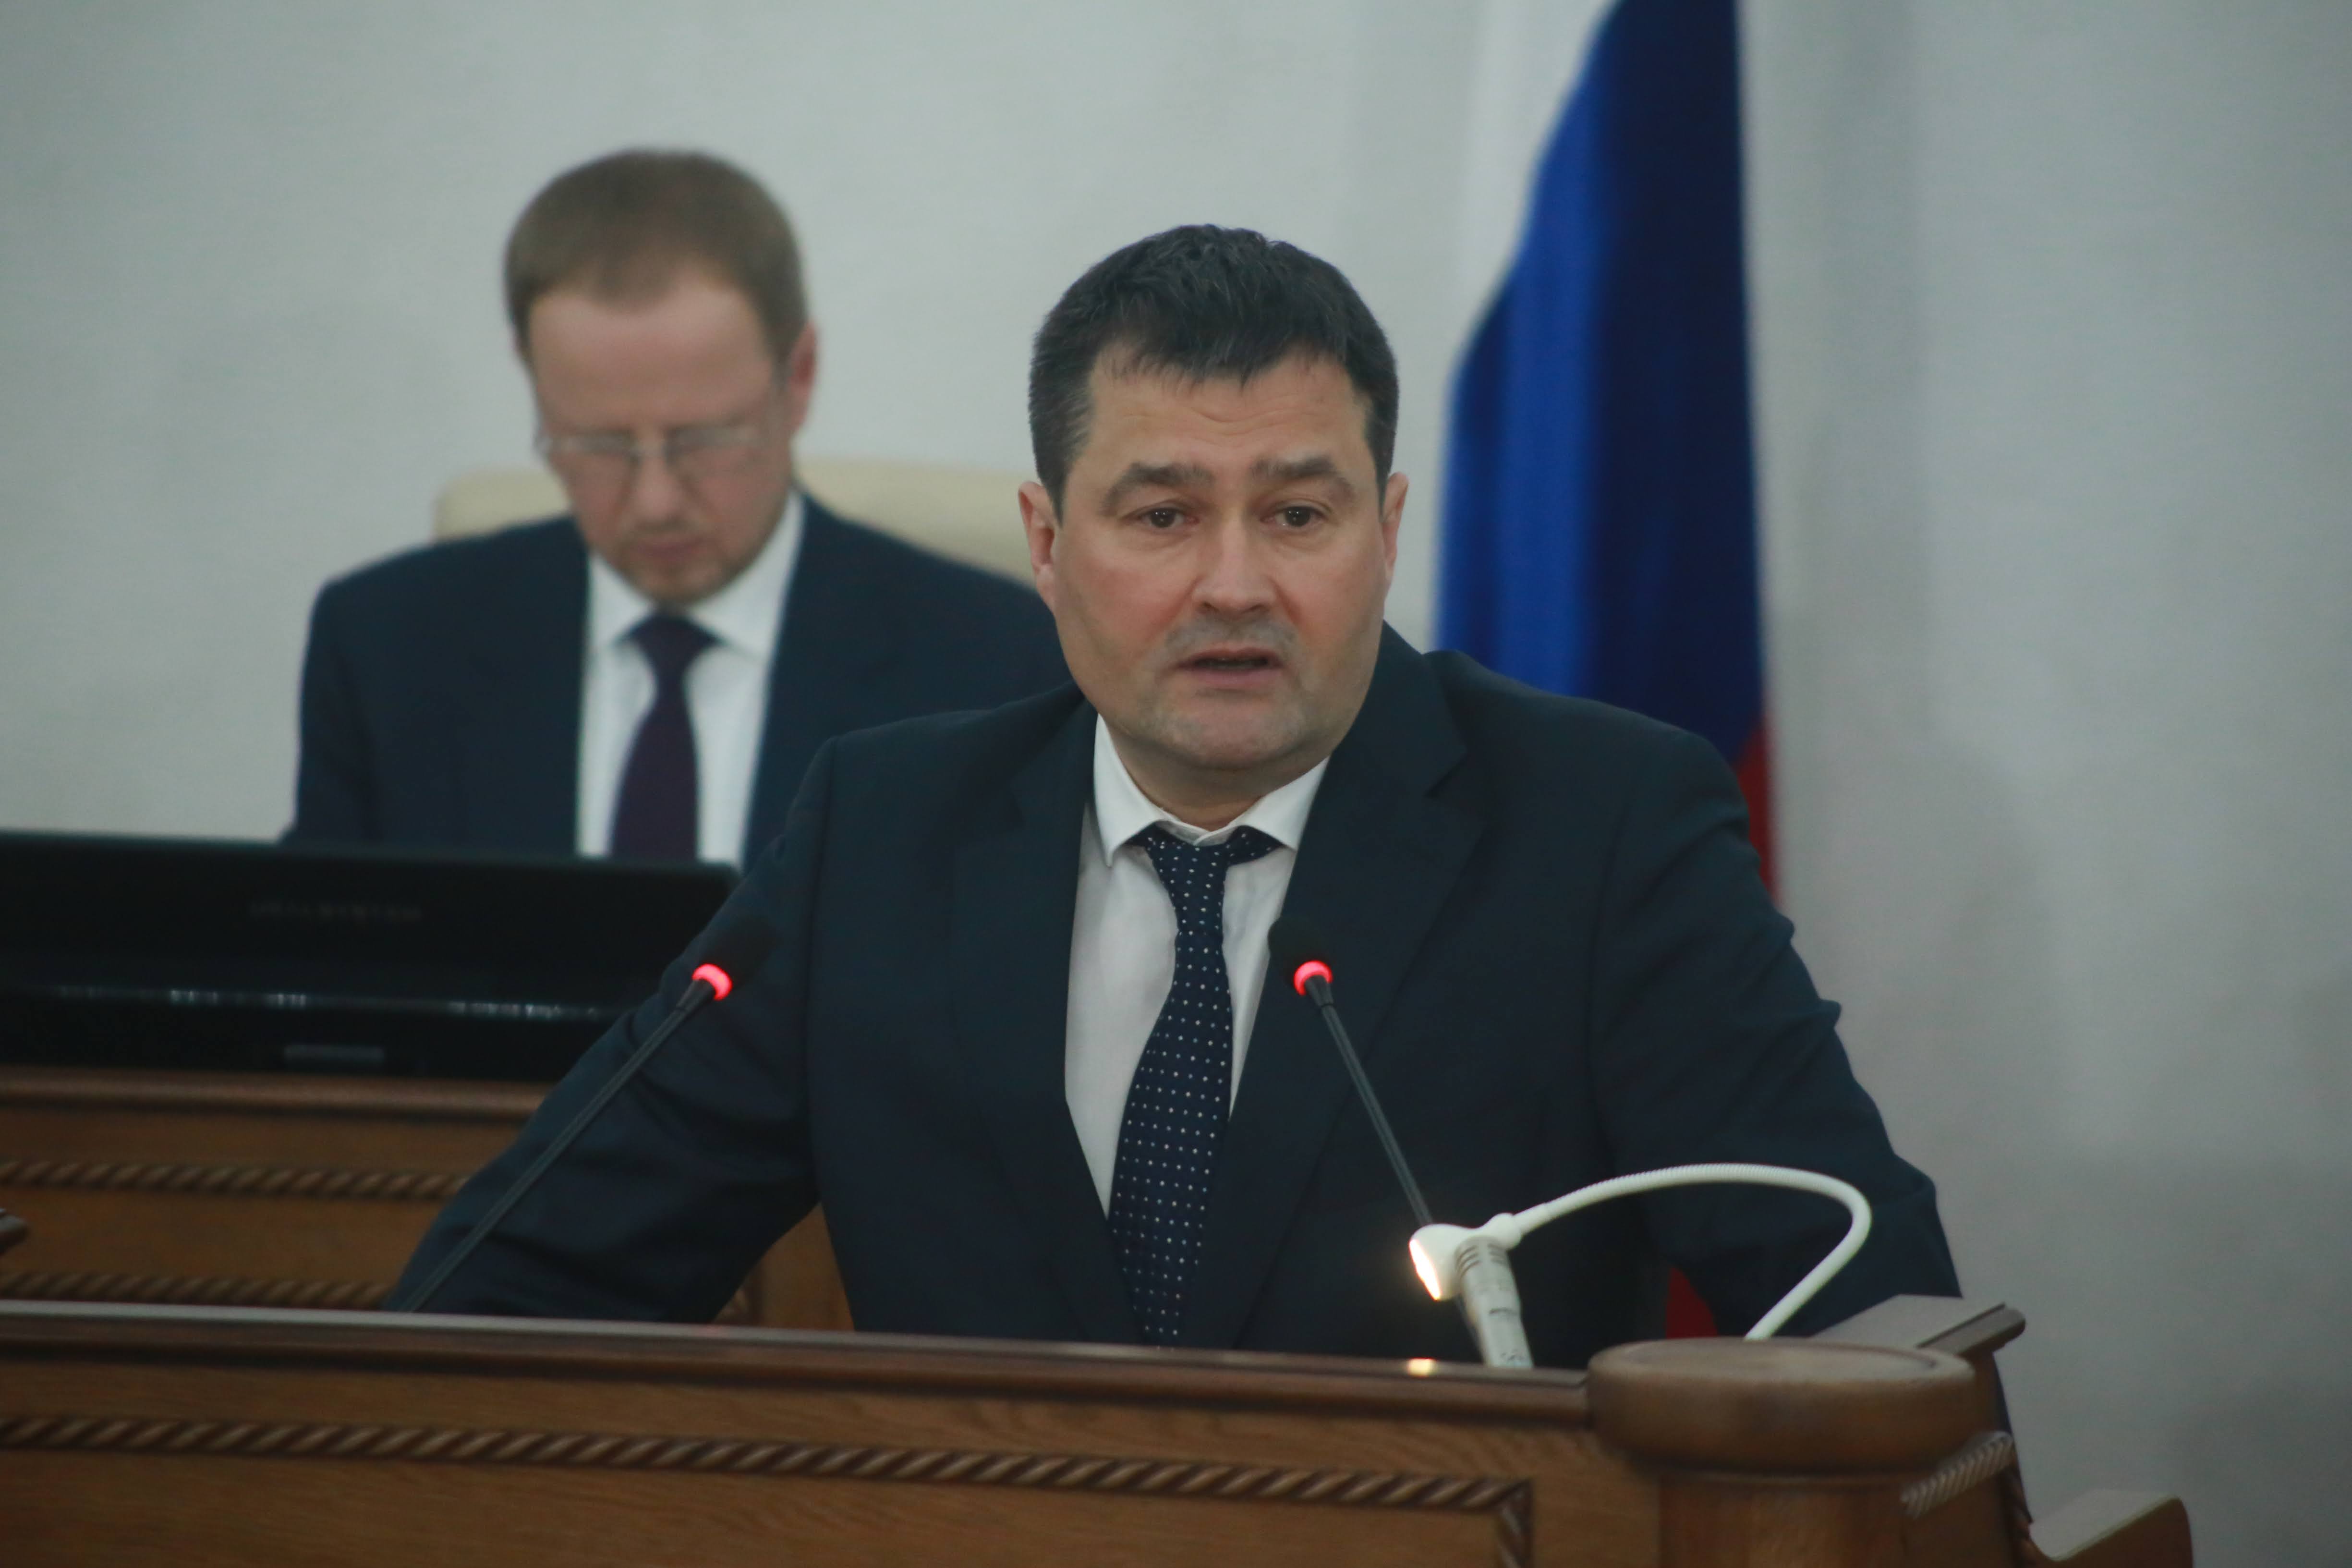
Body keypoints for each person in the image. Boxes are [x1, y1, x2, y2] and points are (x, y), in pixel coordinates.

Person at [398, 226, 1959, 1366]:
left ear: (1385, 528)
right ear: (1046, 542)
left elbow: (1865, 1311)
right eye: (1159, 515)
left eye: (1297, 513)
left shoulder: (1601, 828)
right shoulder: (883, 832)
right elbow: (524, 1282)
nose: (1233, 585)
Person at [288, 150, 1064, 863]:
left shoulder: (999, 668)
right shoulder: (387, 650)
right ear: (534, 385)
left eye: (703, 441)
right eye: (599, 446)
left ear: (797, 377)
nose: (655, 502)